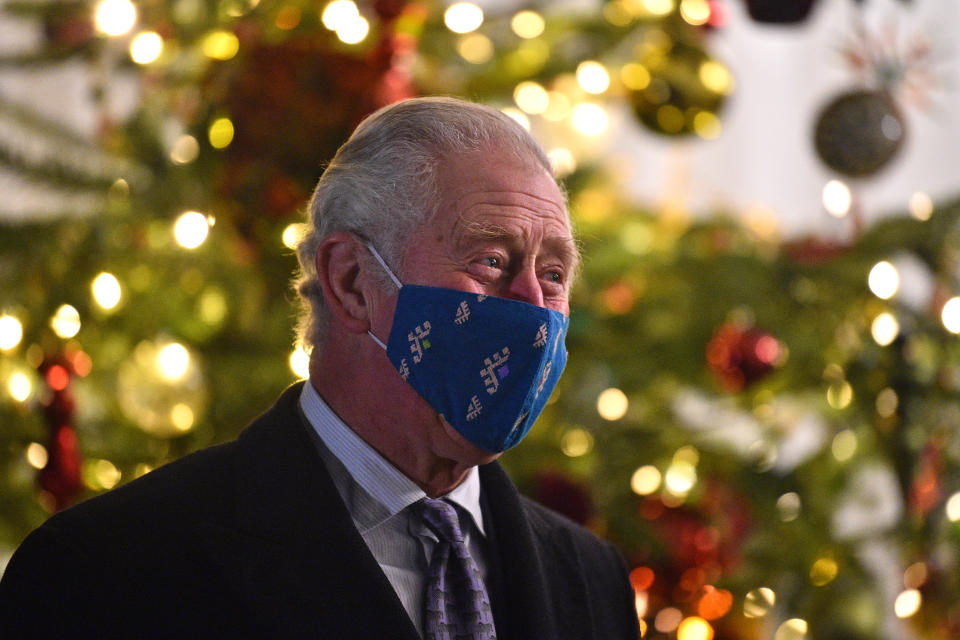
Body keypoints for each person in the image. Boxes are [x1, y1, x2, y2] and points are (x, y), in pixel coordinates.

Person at [0, 97, 639, 639]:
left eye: (553, 275)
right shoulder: (107, 571)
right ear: (353, 281)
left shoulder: (594, 580)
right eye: (493, 261)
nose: (535, 307)